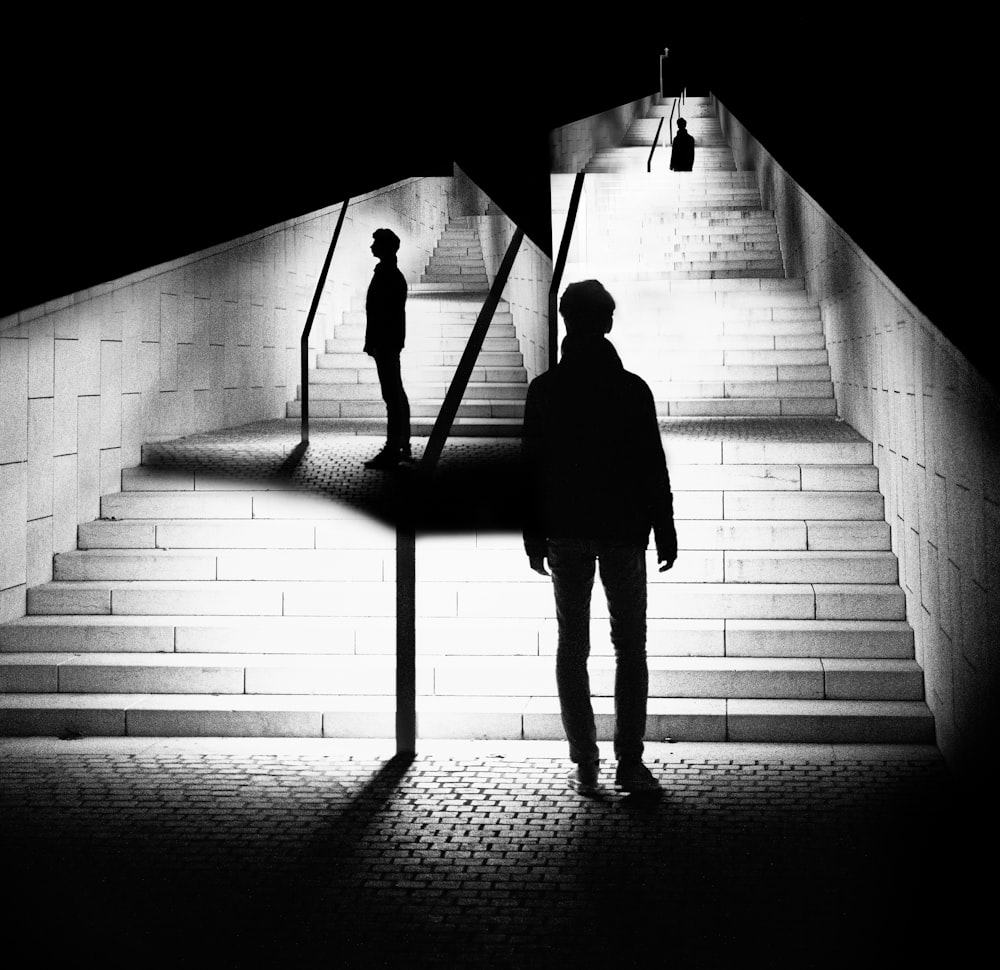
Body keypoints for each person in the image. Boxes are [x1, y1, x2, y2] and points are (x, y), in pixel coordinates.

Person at [522, 280, 678, 796]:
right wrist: (665, 527)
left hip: (566, 532)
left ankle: (584, 762)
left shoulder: (544, 390)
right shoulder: (632, 389)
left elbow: (532, 470)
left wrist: (532, 535)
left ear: (565, 321)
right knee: (630, 647)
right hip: (622, 533)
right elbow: (652, 465)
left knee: (573, 647)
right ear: (608, 322)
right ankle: (628, 764)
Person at [363, 228, 411, 469]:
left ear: (384, 247)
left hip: (386, 342)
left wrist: (376, 343)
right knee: (396, 393)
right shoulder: (390, 273)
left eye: (375, 243)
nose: (371, 247)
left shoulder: (387, 274)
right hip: (388, 342)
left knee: (392, 395)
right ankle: (402, 444)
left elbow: (381, 313)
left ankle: (394, 448)